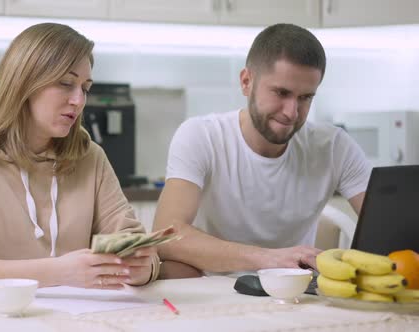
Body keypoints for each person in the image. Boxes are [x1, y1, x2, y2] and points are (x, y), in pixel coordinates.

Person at [0, 23, 159, 296]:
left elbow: (136, 246)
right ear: (24, 84)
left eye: (85, 88)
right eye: (66, 83)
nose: (79, 100)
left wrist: (140, 268)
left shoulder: (91, 158)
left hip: (67, 320)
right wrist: (59, 272)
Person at [153, 23, 371, 278]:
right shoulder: (201, 136)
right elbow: (166, 235)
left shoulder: (334, 146)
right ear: (246, 82)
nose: (292, 112)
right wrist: (267, 258)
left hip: (296, 298)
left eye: (305, 98)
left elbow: (389, 223)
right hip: (212, 295)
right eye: (281, 92)